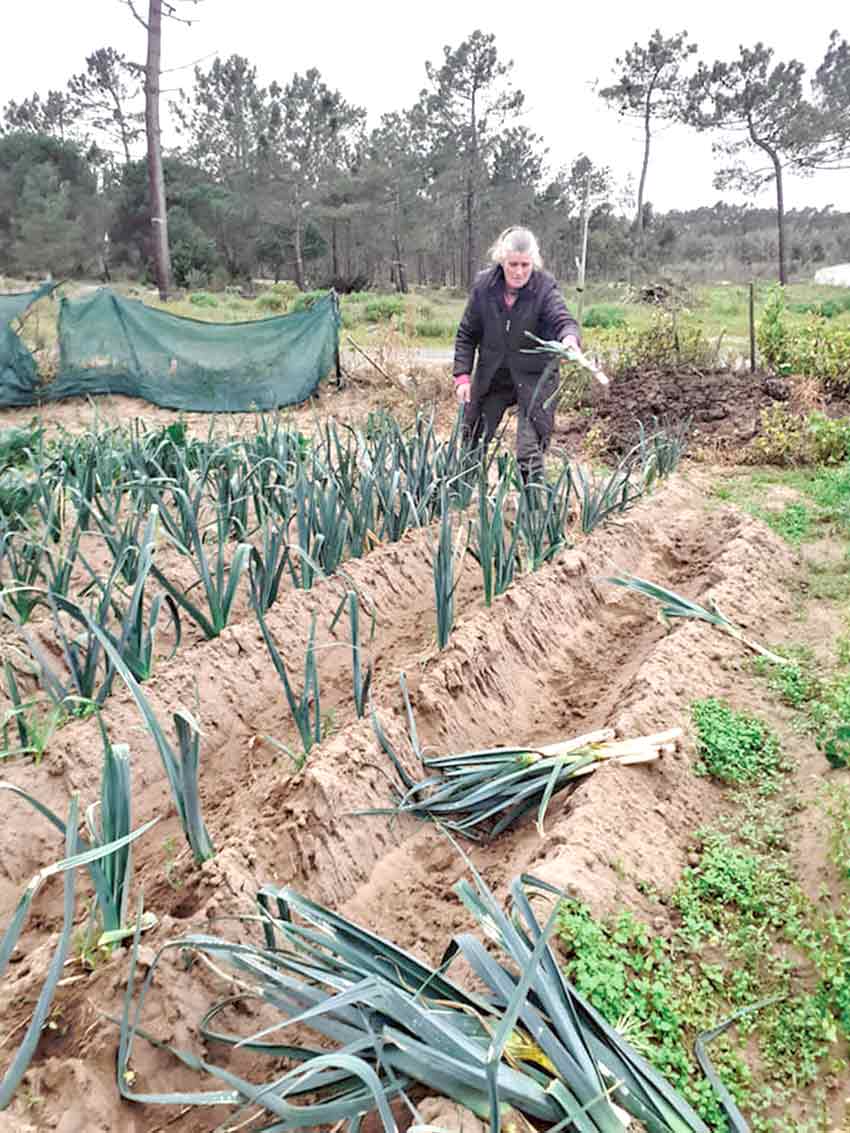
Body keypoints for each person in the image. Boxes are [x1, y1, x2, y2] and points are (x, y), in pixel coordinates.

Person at [453, 226, 581, 484]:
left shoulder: (544, 288)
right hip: (494, 375)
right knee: (472, 441)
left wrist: (569, 339)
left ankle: (534, 512)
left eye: (525, 264)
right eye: (513, 264)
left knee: (528, 451)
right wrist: (463, 377)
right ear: (502, 260)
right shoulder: (484, 286)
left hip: (534, 378)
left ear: (533, 262)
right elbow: (467, 333)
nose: (519, 271)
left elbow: (562, 318)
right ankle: (461, 501)